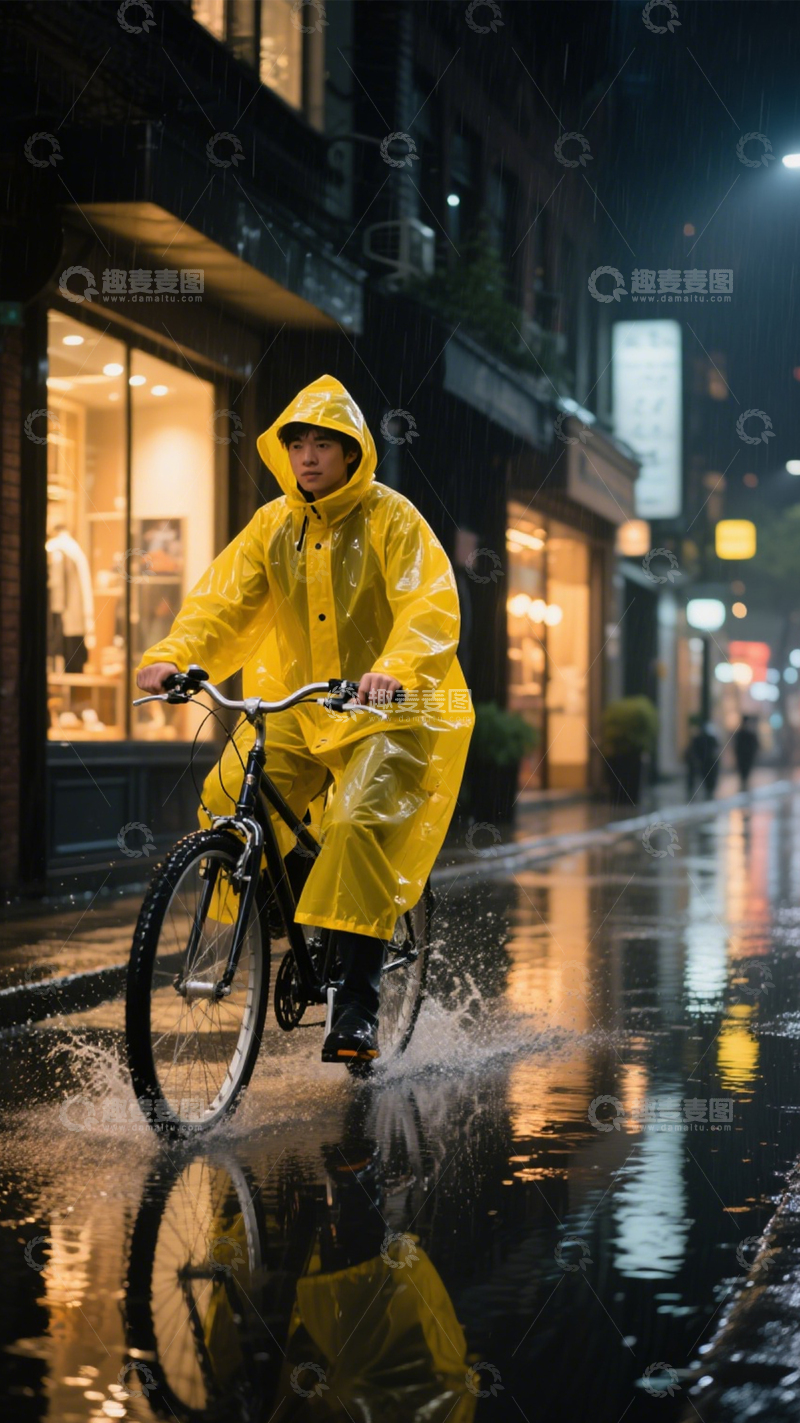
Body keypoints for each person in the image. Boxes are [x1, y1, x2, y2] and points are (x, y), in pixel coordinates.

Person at [135, 375, 474, 1063]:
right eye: (297, 443)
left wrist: (396, 669)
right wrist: (174, 655)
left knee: (356, 826)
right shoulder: (273, 526)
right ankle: (277, 936)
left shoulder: (392, 518)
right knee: (229, 793)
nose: (309, 456)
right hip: (300, 705)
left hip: (389, 709)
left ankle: (355, 1005)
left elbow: (428, 607)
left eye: (324, 443)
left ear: (353, 453)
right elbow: (220, 604)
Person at [685, 719, 721, 799]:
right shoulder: (702, 739)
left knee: (707, 779)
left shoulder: (708, 739)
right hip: (703, 761)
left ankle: (708, 792)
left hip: (707, 762)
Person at [733, 714, 759, 791]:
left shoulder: (749, 733)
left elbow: (755, 744)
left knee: (746, 770)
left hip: (747, 756)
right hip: (743, 756)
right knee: (743, 770)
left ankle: (745, 782)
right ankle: (744, 782)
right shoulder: (742, 733)